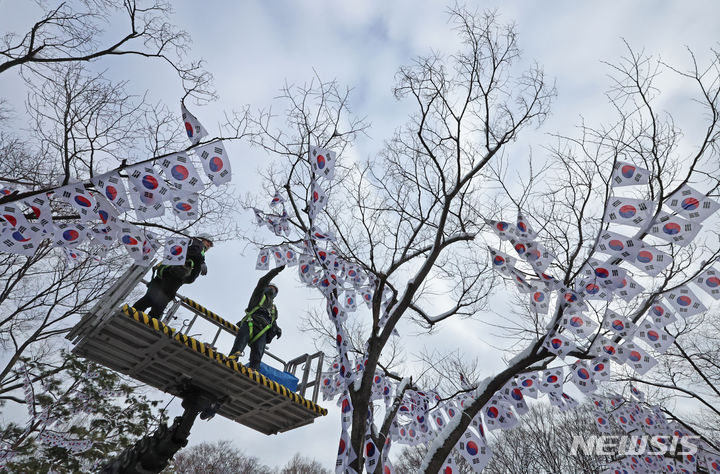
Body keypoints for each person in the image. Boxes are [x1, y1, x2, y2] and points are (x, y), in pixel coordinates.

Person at [132, 234, 213, 318]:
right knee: (164, 297)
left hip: (164, 273)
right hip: (175, 275)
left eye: (210, 244)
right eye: (208, 242)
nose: (209, 245)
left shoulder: (190, 245)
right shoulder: (197, 244)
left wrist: (187, 279)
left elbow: (193, 274)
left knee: (150, 298)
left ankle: (133, 312)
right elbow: (194, 252)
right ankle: (152, 320)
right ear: (201, 239)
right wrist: (201, 263)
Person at [228, 265, 285, 371]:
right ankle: (231, 362)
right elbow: (263, 280)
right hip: (251, 323)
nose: (272, 290)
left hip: (262, 331)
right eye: (270, 287)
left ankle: (254, 371)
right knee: (238, 347)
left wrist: (277, 329)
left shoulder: (273, 309)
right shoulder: (258, 295)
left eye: (274, 290)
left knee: (257, 356)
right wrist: (276, 271)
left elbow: (273, 320)